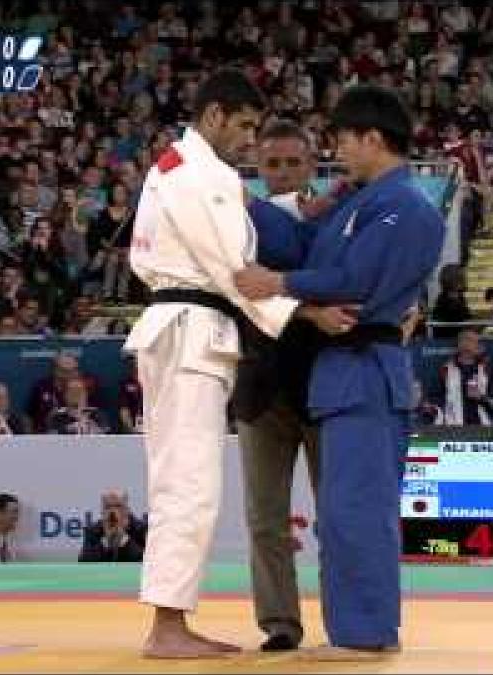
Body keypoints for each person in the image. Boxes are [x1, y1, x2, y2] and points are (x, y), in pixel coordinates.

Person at [123, 68, 351, 659]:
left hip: (183, 327)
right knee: (189, 484)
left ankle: (170, 620)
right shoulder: (203, 174)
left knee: (182, 481)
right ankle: (167, 627)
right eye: (245, 125)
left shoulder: (172, 166)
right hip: (191, 327)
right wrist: (309, 313)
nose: (249, 140)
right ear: (215, 114)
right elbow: (237, 270)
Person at [235, 85, 446, 660]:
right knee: (343, 510)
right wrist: (240, 201)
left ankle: (366, 633)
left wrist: (280, 285)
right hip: (342, 374)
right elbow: (304, 245)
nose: (340, 154)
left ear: (372, 139)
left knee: (359, 509)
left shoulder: (405, 205)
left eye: (345, 142)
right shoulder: (359, 203)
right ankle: (357, 629)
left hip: (366, 367)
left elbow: (354, 278)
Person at [235, 119, 325, 652]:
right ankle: (280, 625)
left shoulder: (333, 218)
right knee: (265, 520)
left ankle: (347, 620)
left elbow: (299, 262)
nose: (285, 173)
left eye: (294, 163)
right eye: (273, 164)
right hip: (259, 389)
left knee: (335, 519)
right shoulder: (237, 223)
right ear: (258, 168)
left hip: (324, 387)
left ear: (312, 165)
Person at [439, 328, 493, 426]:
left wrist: (481, 397)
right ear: (459, 345)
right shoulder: (446, 370)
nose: (468, 344)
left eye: (474, 341)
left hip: (481, 428)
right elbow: (436, 401)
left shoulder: (485, 370)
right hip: (453, 428)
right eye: (466, 340)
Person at [79, 490, 149, 563]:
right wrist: (106, 541)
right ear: (102, 511)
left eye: (118, 506)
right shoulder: (92, 531)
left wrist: (124, 539)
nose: (113, 511)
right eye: (108, 507)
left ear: (127, 510)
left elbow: (147, 561)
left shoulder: (142, 529)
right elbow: (83, 562)